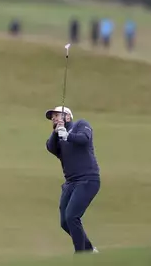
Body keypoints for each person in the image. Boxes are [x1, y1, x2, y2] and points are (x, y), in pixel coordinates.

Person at [45, 106, 100, 254]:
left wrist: (68, 134)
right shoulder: (58, 137)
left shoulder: (81, 124)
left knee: (72, 216)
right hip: (71, 183)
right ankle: (89, 250)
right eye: (52, 117)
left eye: (57, 115)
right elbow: (50, 147)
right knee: (64, 222)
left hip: (88, 179)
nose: (54, 118)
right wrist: (57, 132)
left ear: (68, 116)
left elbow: (84, 138)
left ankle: (81, 255)